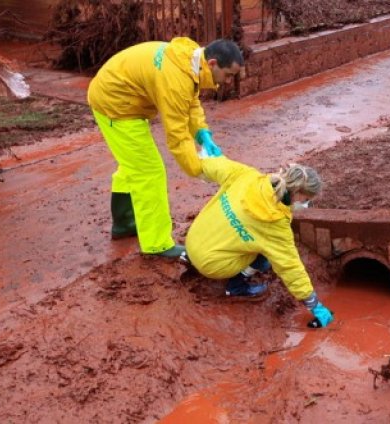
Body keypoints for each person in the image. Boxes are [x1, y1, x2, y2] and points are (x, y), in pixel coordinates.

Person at [87, 37, 244, 258]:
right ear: (213, 64)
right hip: (115, 104)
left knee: (133, 163)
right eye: (228, 75)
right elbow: (177, 136)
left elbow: (190, 102)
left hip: (120, 95)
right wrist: (200, 169)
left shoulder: (189, 60)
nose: (228, 81)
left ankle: (123, 224)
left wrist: (202, 133)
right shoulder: (176, 78)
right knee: (149, 171)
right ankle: (156, 244)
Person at [184, 155, 335, 328]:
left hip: (193, 239)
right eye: (306, 200)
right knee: (266, 255)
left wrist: (207, 152)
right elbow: (290, 267)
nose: (306, 204)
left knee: (244, 233)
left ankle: (190, 256)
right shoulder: (275, 224)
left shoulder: (248, 175)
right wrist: (315, 305)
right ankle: (236, 286)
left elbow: (213, 165)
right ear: (298, 194)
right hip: (210, 264)